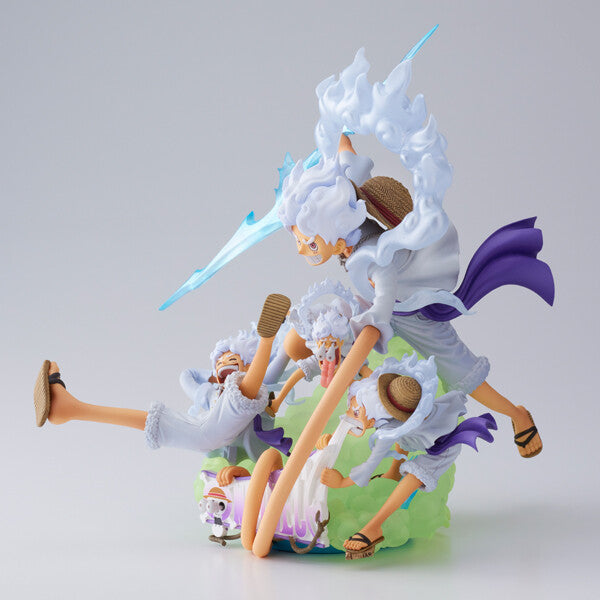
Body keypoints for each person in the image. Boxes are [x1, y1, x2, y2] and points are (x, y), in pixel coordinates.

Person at [278, 134, 553, 459]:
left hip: (410, 314)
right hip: (370, 301)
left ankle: (517, 414)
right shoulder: (350, 210)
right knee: (314, 329)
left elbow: (385, 288)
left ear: (336, 237)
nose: (302, 250)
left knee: (461, 371)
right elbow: (351, 168)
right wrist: (342, 141)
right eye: (300, 240)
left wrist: (372, 321)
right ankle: (280, 379)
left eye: (310, 243)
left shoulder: (368, 256)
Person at [33, 294, 292, 485]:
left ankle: (266, 339)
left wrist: (285, 343)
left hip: (211, 430)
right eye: (219, 361)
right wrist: (212, 376)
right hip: (205, 428)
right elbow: (187, 375)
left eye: (232, 358)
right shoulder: (212, 394)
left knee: (245, 391)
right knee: (150, 420)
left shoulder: (245, 388)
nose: (224, 363)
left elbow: (267, 373)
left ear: (248, 363)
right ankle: (69, 409)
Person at [319, 354, 496, 559]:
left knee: (415, 473)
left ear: (375, 416)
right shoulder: (379, 393)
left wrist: (341, 482)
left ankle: (374, 527)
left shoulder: (387, 430)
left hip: (444, 443)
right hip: (419, 426)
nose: (350, 415)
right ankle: (393, 473)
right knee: (402, 436)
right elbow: (363, 376)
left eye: (356, 412)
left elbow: (369, 466)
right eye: (351, 408)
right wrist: (330, 440)